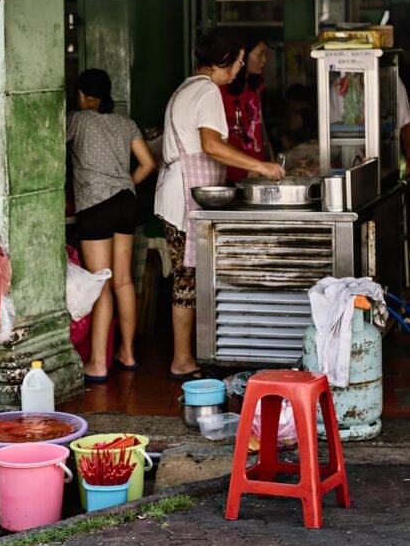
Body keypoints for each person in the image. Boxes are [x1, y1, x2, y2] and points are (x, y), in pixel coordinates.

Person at [155, 30, 285, 383]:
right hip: (184, 196)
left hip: (176, 194)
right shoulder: (209, 90)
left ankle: (186, 355)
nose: (242, 67)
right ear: (225, 60)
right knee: (188, 279)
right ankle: (182, 359)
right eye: (240, 60)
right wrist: (261, 166)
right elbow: (211, 146)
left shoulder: (187, 86)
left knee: (187, 277)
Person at [66, 69, 156, 381]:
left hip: (95, 205)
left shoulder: (76, 120)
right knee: (124, 281)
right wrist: (123, 185)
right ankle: (127, 353)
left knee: (101, 283)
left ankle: (98, 364)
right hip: (125, 202)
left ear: (80, 95)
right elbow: (148, 164)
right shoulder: (125, 122)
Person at [220, 35, 270, 181]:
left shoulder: (255, 88)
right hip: (232, 174)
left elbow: (261, 131)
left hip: (257, 170)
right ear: (243, 55)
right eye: (260, 54)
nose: (264, 60)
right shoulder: (220, 91)